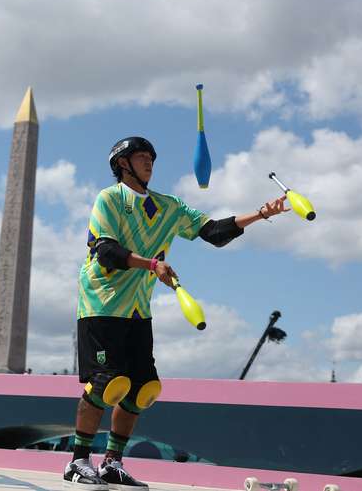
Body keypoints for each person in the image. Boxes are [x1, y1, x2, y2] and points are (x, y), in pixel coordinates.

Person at [63, 137, 288, 489]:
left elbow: (213, 232)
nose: (150, 162)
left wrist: (261, 214)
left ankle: (112, 463)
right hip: (101, 304)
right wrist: (152, 264)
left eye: (152, 157)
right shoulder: (109, 199)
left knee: (142, 388)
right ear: (123, 164)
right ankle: (77, 461)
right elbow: (105, 250)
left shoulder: (169, 207)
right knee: (108, 383)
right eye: (141, 157)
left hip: (138, 308)